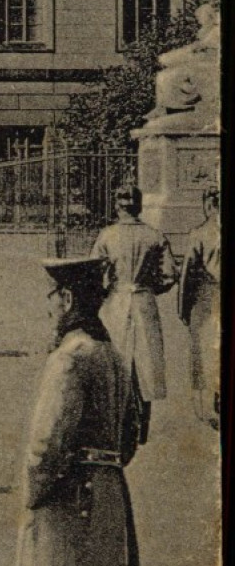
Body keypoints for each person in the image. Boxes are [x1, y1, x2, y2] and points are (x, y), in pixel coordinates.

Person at [10, 256, 140, 566]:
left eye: (50, 296)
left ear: (66, 298)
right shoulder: (113, 354)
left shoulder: (69, 357)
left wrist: (31, 496)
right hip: (111, 495)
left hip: (69, 500)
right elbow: (130, 438)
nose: (48, 307)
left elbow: (47, 443)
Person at [91, 186, 176, 445]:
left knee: (116, 359)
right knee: (145, 362)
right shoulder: (154, 236)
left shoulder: (107, 235)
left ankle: (116, 422)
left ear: (118, 207)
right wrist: (151, 288)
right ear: (138, 207)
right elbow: (170, 274)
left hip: (116, 302)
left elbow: (95, 272)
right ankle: (143, 427)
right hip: (143, 300)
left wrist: (107, 288)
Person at [179, 188, 220, 430]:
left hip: (207, 298)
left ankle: (208, 401)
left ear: (207, 205)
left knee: (204, 352)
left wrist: (184, 310)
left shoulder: (199, 233)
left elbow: (187, 276)